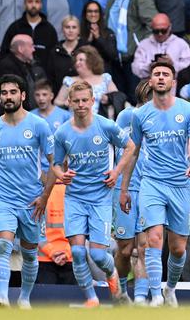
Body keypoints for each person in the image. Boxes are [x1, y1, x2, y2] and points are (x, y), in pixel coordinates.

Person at [119, 59, 190, 306]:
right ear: (150, 80)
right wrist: (124, 189)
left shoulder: (187, 110)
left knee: (178, 249)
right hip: (151, 183)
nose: (160, 77)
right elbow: (133, 153)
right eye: (156, 74)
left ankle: (169, 288)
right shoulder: (141, 114)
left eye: (165, 74)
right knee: (153, 238)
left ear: (173, 81)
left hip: (180, 184)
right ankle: (156, 295)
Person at [50, 80, 131, 306]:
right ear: (69, 102)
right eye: (76, 101)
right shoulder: (62, 132)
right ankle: (91, 299)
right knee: (76, 252)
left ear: (93, 101)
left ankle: (112, 274)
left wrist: (116, 172)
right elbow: (55, 163)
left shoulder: (106, 126)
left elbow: (131, 146)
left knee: (96, 255)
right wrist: (60, 174)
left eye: (85, 100)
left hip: (101, 198)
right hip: (75, 197)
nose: (80, 105)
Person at [0, 74, 57, 308]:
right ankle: (2, 298)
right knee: (2, 244)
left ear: (22, 95)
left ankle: (24, 299)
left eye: (13, 92)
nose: (8, 97)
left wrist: (44, 197)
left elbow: (55, 164)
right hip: (3, 199)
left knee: (30, 254)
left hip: (32, 201)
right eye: (4, 92)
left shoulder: (38, 125)